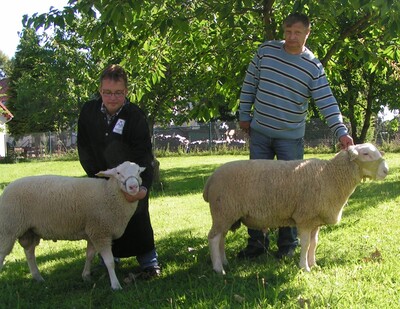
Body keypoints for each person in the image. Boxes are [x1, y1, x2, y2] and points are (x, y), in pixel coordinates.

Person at [237, 13, 354, 259]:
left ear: (307, 34)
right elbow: (249, 84)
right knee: (256, 189)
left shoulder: (313, 66)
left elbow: (326, 102)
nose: (291, 37)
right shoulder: (265, 52)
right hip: (260, 132)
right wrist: (244, 114)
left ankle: (288, 246)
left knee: (292, 192)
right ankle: (257, 243)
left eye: (297, 32)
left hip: (290, 138)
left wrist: (341, 132)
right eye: (288, 31)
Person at [77, 64, 161, 278]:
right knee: (104, 220)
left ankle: (149, 261)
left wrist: (142, 186)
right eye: (107, 92)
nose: (112, 98)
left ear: (126, 92)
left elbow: (144, 154)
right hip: (103, 181)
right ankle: (108, 259)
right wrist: (97, 177)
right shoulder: (88, 112)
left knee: (138, 215)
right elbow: (84, 147)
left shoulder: (135, 116)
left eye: (118, 93)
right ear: (100, 91)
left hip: (132, 179)